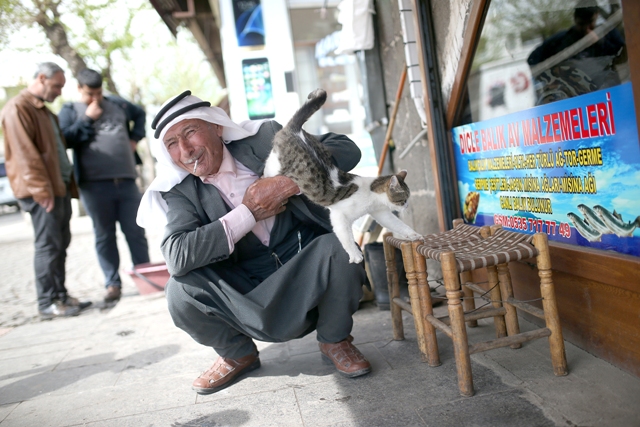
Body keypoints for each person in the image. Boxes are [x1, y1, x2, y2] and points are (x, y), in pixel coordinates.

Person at [136, 91, 371, 395]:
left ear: (216, 126)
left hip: (303, 263)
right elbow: (177, 256)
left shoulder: (264, 140)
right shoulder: (181, 191)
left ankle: (335, 339)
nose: (185, 150)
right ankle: (237, 354)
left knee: (340, 249)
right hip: (245, 287)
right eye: (171, 143)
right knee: (179, 292)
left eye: (190, 132)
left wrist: (288, 183)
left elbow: (346, 148)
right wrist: (248, 213)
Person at [1, 62, 91, 319]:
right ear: (41, 78)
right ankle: (47, 302)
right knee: (48, 246)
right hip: (42, 191)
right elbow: (24, 155)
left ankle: (60, 296)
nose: (60, 92)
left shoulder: (43, 110)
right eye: (57, 86)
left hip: (57, 188)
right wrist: (40, 190)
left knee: (60, 243)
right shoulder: (18, 108)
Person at [58, 68, 150, 303]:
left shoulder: (117, 104)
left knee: (136, 231)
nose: (95, 98)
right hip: (94, 185)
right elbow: (64, 138)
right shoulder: (70, 110)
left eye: (98, 93)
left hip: (126, 180)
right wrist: (87, 119)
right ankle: (112, 284)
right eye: (90, 94)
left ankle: (146, 278)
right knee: (104, 235)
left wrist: (134, 138)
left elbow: (140, 114)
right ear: (79, 88)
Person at [527, 1, 625, 104]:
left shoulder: (608, 34)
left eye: (590, 23)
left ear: (597, 15)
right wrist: (550, 78)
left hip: (608, 97)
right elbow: (533, 60)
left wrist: (601, 42)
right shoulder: (561, 40)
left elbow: (623, 58)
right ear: (575, 19)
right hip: (577, 100)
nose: (586, 29)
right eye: (581, 24)